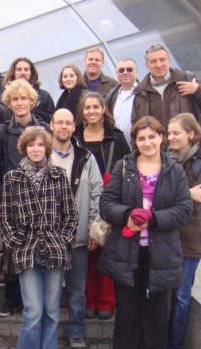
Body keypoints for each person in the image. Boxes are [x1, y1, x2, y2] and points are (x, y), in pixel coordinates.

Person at [98, 116, 192, 349]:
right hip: (127, 252)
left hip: (160, 253)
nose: (147, 142)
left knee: (155, 316)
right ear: (135, 141)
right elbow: (106, 203)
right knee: (127, 314)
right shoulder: (123, 166)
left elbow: (184, 208)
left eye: (152, 136)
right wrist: (127, 214)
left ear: (161, 138)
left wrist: (156, 218)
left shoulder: (174, 170)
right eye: (141, 138)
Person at [0, 126, 78, 349]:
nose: (35, 149)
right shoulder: (12, 178)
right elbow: (5, 218)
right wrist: (14, 243)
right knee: (33, 310)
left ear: (46, 147)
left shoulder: (58, 175)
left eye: (40, 145)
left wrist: (64, 241)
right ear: (24, 148)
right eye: (31, 145)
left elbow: (71, 215)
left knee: (51, 311)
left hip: (54, 249)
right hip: (26, 249)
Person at [0, 79, 49, 318]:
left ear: (31, 101)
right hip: (11, 201)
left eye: (24, 98)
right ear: (9, 103)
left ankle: (35, 300)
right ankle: (12, 299)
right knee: (12, 250)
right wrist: (5, 196)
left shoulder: (43, 129)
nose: (20, 103)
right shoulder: (2, 132)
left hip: (41, 200)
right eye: (15, 99)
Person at [73, 91, 130, 320]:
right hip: (81, 196)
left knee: (106, 249)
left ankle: (106, 301)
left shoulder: (116, 136)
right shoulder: (76, 135)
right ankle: (88, 299)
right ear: (83, 111)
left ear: (103, 109)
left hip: (111, 195)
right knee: (86, 250)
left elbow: (127, 164)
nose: (92, 111)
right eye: (87, 107)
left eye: (96, 107)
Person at [50, 109, 103, 349]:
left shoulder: (86, 156)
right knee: (48, 292)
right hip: (48, 240)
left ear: (74, 127)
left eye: (67, 123)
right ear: (51, 125)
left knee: (77, 291)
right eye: (59, 122)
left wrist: (94, 228)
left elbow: (97, 193)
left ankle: (76, 332)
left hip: (78, 238)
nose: (63, 126)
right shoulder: (41, 154)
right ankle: (46, 333)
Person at [166, 113, 201, 349]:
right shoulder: (165, 161)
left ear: (191, 135)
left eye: (177, 133)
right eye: (170, 133)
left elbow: (198, 200)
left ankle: (174, 347)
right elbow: (161, 193)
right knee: (165, 295)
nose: (171, 137)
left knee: (182, 297)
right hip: (166, 236)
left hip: (189, 239)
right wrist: (186, 192)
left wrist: (176, 193)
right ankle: (162, 341)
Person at [132, 43, 201, 131]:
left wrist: (198, 90)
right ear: (147, 66)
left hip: (186, 143)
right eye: (153, 61)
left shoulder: (186, 79)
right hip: (157, 144)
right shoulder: (140, 92)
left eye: (162, 60)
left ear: (169, 61)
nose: (159, 65)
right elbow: (136, 126)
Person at [3, 57, 55, 123]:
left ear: (31, 72)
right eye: (19, 69)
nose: (23, 72)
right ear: (13, 72)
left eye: (26, 69)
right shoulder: (6, 96)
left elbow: (53, 120)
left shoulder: (44, 96)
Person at [106, 59, 139, 146]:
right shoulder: (111, 96)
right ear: (117, 74)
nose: (125, 72)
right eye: (121, 70)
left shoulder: (144, 93)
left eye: (129, 69)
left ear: (136, 72)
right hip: (118, 148)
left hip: (139, 146)